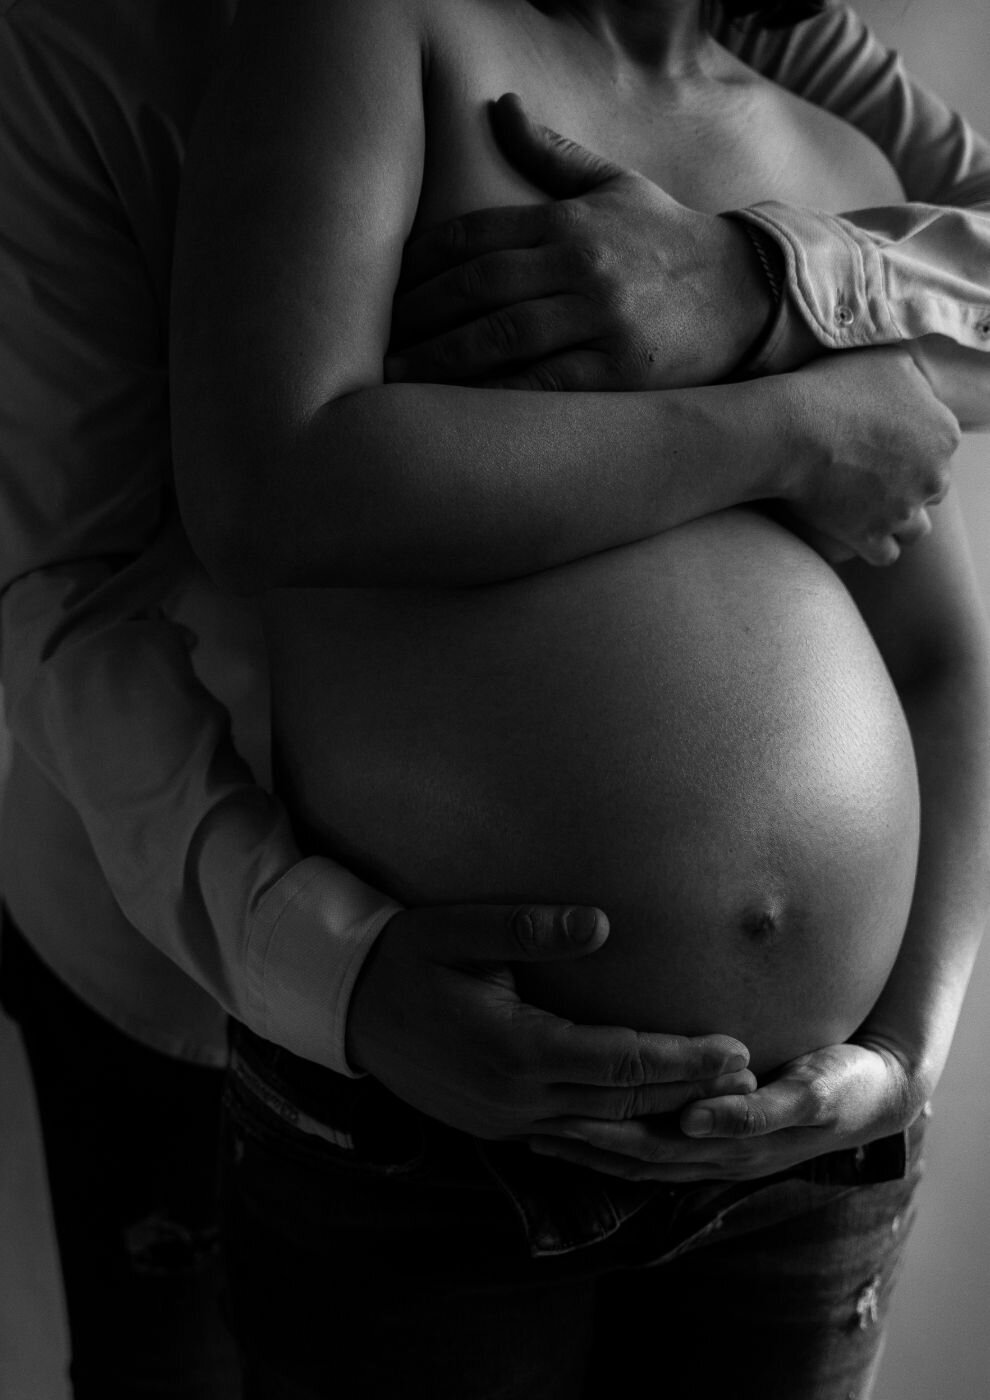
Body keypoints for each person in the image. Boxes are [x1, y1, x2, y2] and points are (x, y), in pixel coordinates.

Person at [1, 0, 988, 1392]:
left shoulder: (807, 111)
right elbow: (105, 576)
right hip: (276, 991)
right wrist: (780, 430)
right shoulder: (321, 39)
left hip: (799, 1158)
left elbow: (940, 653)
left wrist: (906, 1053)